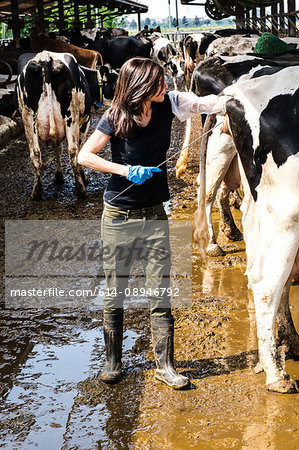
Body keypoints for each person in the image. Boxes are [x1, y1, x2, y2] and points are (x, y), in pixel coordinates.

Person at [78, 57, 229, 389]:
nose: (166, 86)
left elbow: (206, 103)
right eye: (159, 82)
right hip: (118, 216)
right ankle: (113, 361)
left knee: (159, 290)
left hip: (155, 214)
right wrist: (124, 171)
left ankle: (165, 365)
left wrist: (232, 98)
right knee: (115, 289)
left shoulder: (170, 103)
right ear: (141, 86)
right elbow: (84, 156)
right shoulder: (114, 116)